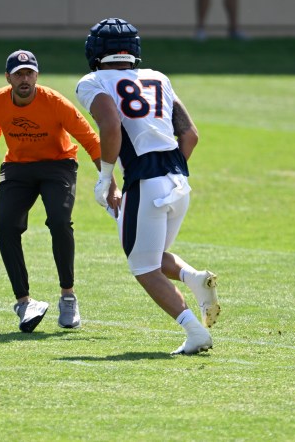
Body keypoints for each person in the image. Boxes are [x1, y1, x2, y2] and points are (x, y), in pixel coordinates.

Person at [76, 18, 221, 355]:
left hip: (145, 180)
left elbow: (111, 125)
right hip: (178, 177)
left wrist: (104, 176)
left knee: (143, 267)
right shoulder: (158, 77)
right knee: (153, 255)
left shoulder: (93, 81)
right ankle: (195, 278)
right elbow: (190, 134)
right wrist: (169, 173)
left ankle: (194, 331)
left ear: (95, 50)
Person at [0, 49, 103, 333]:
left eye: (29, 73)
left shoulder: (55, 103)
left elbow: (91, 139)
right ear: (8, 78)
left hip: (59, 165)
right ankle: (24, 303)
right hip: (18, 167)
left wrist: (108, 179)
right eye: (19, 74)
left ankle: (68, 297)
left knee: (59, 220)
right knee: (4, 225)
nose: (25, 79)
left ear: (37, 76)